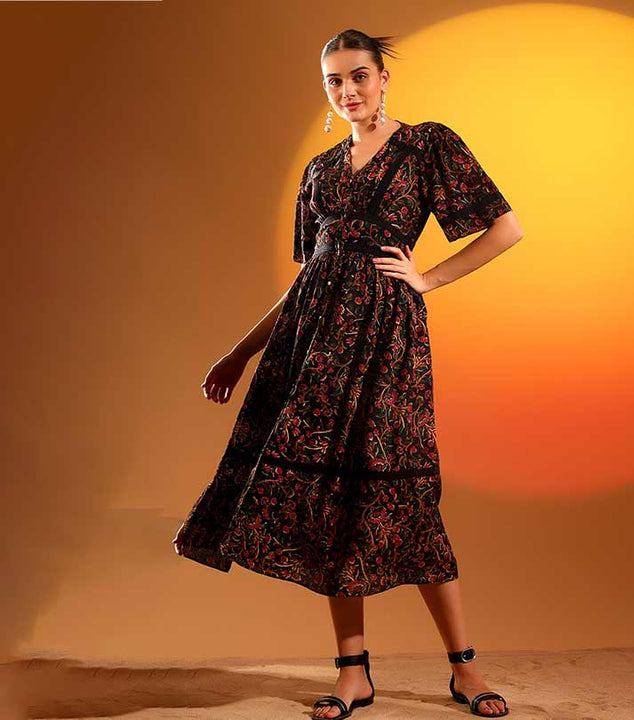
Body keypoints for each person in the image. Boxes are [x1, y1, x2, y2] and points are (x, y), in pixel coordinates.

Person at [173, 28, 523, 719]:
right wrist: (239, 353)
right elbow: (308, 281)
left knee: (407, 499)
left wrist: (429, 278)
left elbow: (506, 229)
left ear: (383, 77)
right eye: (334, 81)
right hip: (312, 352)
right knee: (330, 501)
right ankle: (353, 673)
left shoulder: (428, 146)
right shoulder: (319, 171)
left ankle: (466, 669)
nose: (347, 90)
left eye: (359, 75)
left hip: (388, 344)